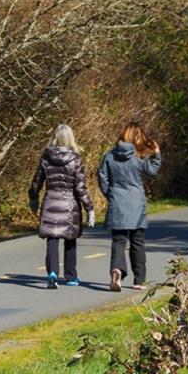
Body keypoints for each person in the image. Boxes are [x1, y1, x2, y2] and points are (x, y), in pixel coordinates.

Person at [96, 122, 162, 292]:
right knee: (137, 241)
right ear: (138, 137)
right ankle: (139, 279)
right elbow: (152, 171)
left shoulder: (110, 155)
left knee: (118, 241)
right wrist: (156, 154)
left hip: (117, 201)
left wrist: (110, 193)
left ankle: (117, 269)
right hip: (136, 203)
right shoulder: (137, 158)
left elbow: (102, 176)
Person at [28, 124, 95, 288]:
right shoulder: (76, 160)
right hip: (69, 203)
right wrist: (89, 208)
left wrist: (33, 198)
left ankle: (52, 272)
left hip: (51, 200)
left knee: (52, 238)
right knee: (70, 239)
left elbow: (36, 182)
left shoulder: (46, 158)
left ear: (55, 138)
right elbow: (80, 188)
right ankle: (71, 276)